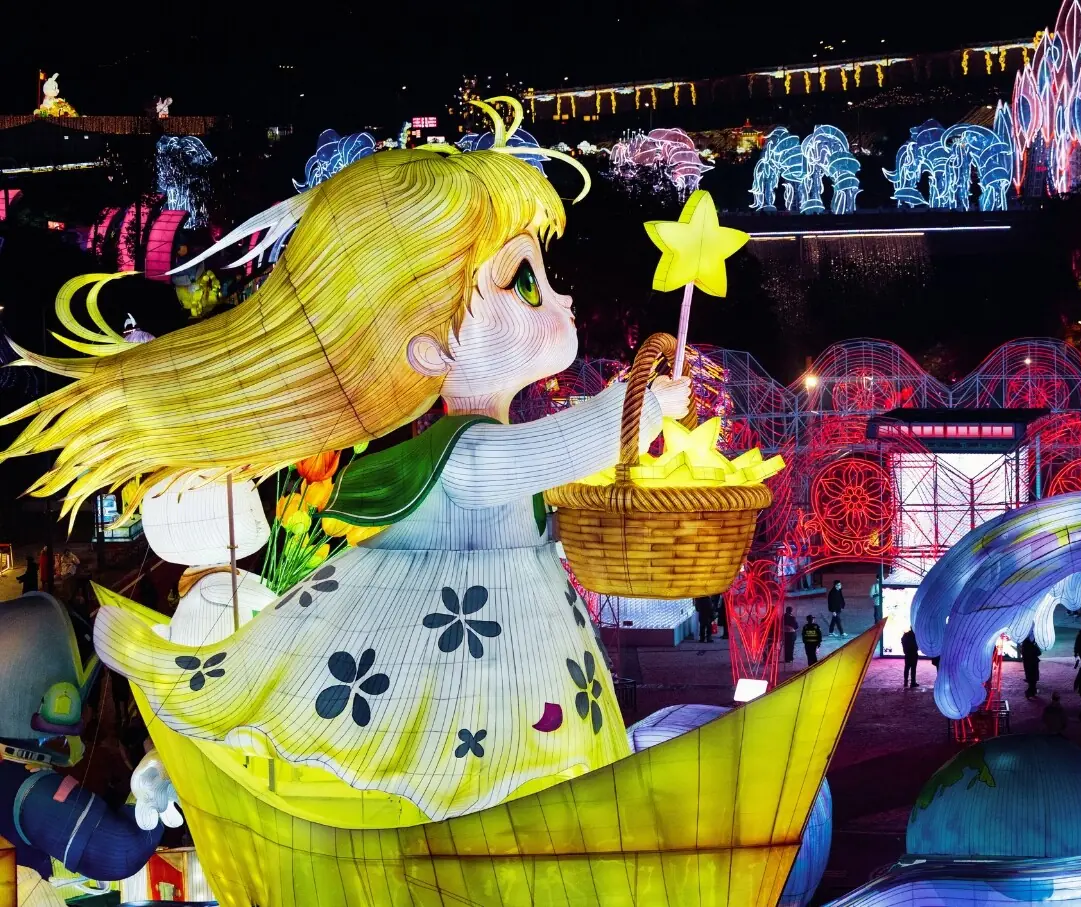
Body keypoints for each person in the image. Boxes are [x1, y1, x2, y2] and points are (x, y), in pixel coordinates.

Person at [18, 121, 700, 822]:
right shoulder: (468, 454)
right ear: (430, 348)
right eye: (525, 282)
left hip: (522, 636)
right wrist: (640, 408)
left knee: (529, 760)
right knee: (476, 763)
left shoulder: (485, 442)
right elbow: (556, 450)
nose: (562, 299)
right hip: (463, 640)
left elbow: (550, 466)